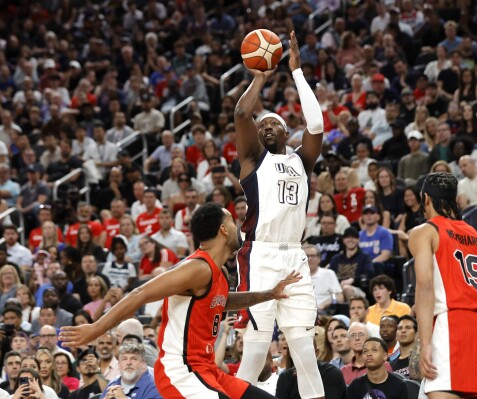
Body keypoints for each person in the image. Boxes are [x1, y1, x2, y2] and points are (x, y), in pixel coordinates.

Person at [60, 203, 296, 399]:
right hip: (180, 370)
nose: (238, 227)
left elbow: (221, 301)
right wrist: (96, 328)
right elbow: (139, 294)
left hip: (206, 369)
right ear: (224, 230)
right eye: (233, 221)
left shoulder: (219, 272)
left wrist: (268, 294)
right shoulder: (197, 268)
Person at [233, 32, 325, 398]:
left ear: (287, 133)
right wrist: (261, 74)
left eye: (274, 124)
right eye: (263, 126)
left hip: (294, 256)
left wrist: (298, 73)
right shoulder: (254, 161)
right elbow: (242, 113)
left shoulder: (301, 159)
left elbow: (316, 126)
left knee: (302, 346)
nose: (266, 127)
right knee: (255, 348)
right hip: (261, 253)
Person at [409, 172, 477, 398]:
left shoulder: (424, 231)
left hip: (455, 323)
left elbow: (425, 288)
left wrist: (425, 343)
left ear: (426, 199)